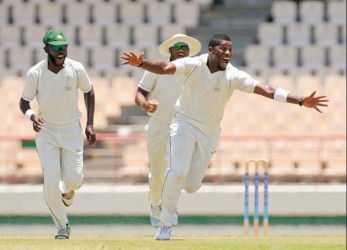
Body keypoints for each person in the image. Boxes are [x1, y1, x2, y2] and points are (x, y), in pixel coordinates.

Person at [120, 33, 329, 240]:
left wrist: (300, 100)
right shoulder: (193, 64)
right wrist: (141, 63)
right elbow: (165, 68)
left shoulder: (233, 75)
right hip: (184, 123)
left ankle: (175, 188)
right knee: (176, 172)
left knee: (190, 186)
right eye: (223, 49)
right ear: (210, 50)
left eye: (230, 50)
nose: (227, 53)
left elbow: (267, 89)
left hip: (210, 132)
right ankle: (165, 224)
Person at [19, 29, 96, 239]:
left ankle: (69, 190)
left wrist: (90, 123)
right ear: (46, 49)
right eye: (55, 47)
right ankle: (62, 227)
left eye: (63, 47)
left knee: (74, 179)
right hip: (47, 131)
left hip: (72, 129)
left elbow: (89, 91)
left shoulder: (76, 68)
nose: (61, 51)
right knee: (51, 180)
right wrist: (32, 115)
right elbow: (24, 102)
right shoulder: (35, 72)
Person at [135, 34, 201, 228]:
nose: (182, 50)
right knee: (158, 173)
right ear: (170, 50)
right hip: (157, 126)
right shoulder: (156, 69)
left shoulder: (194, 71)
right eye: (178, 46)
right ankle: (156, 204)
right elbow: (139, 93)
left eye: (186, 47)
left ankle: (169, 206)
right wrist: (145, 105)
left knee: (176, 170)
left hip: (181, 127)